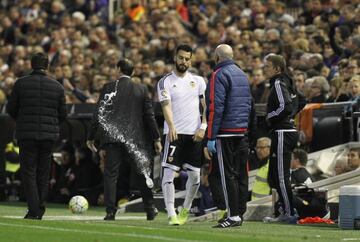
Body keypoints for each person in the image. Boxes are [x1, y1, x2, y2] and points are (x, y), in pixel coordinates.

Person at [87, 59, 162, 221]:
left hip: (113, 138)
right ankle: (150, 208)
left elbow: (98, 114)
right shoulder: (141, 89)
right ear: (132, 72)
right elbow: (149, 116)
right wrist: (156, 138)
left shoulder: (108, 88)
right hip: (135, 140)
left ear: (118, 69)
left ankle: (110, 211)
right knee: (142, 174)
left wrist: (91, 136)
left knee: (111, 175)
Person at [6, 52, 67, 219]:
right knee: (43, 173)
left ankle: (34, 210)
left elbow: (10, 108)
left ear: (31, 65)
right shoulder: (57, 86)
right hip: (48, 137)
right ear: (47, 66)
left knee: (29, 172)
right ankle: (39, 207)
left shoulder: (21, 84)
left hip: (27, 135)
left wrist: (22, 120)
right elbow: (63, 114)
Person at [157, 44, 207, 226]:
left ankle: (185, 209)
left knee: (195, 177)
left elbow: (206, 106)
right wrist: (171, 126)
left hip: (194, 135)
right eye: (181, 58)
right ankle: (171, 213)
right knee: (169, 174)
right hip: (174, 134)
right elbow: (165, 105)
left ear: (190, 60)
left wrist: (203, 126)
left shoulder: (199, 81)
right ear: (175, 58)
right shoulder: (165, 82)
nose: (184, 61)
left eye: (187, 59)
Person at [206, 44, 252, 228]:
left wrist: (211, 136)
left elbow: (216, 107)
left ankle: (232, 215)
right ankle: (239, 212)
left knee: (227, 175)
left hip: (225, 132)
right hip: (241, 131)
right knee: (241, 174)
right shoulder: (242, 74)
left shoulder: (219, 74)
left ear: (217, 57)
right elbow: (248, 105)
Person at [262, 53, 305, 224]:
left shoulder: (279, 83)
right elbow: (302, 100)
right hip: (285, 131)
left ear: (277, 69)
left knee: (280, 176)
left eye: (268, 66)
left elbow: (285, 106)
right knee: (275, 175)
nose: (265, 69)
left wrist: (270, 117)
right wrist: (291, 115)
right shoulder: (288, 82)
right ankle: (284, 209)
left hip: (282, 133)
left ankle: (289, 212)